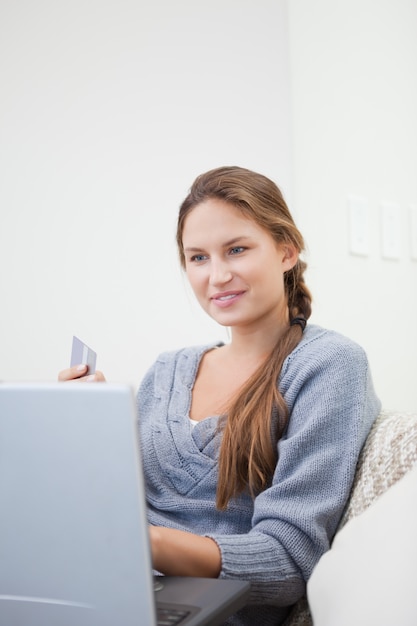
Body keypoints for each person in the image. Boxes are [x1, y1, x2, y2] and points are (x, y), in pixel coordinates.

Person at [59, 166, 381, 625]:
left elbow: (288, 560)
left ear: (286, 251)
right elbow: (113, 500)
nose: (218, 275)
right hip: (110, 585)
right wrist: (79, 430)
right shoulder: (168, 369)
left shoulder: (329, 365)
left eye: (236, 249)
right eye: (198, 258)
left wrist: (145, 543)